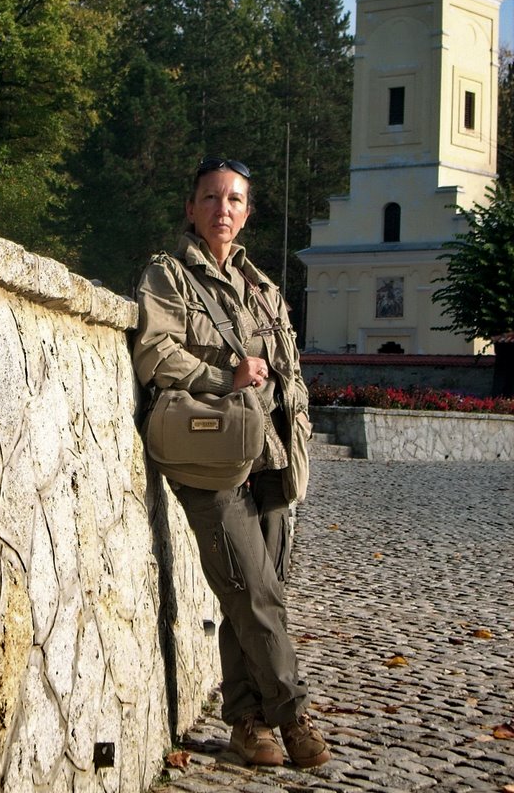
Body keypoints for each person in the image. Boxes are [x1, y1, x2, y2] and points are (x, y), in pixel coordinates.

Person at [133, 155, 330, 770]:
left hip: (269, 454)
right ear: (190, 209)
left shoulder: (264, 289)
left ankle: (247, 723)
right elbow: (155, 353)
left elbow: (290, 374)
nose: (224, 210)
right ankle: (292, 717)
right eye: (212, 198)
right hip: (209, 455)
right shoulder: (169, 276)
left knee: (248, 594)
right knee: (256, 590)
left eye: (236, 200)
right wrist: (224, 374)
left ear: (247, 212)